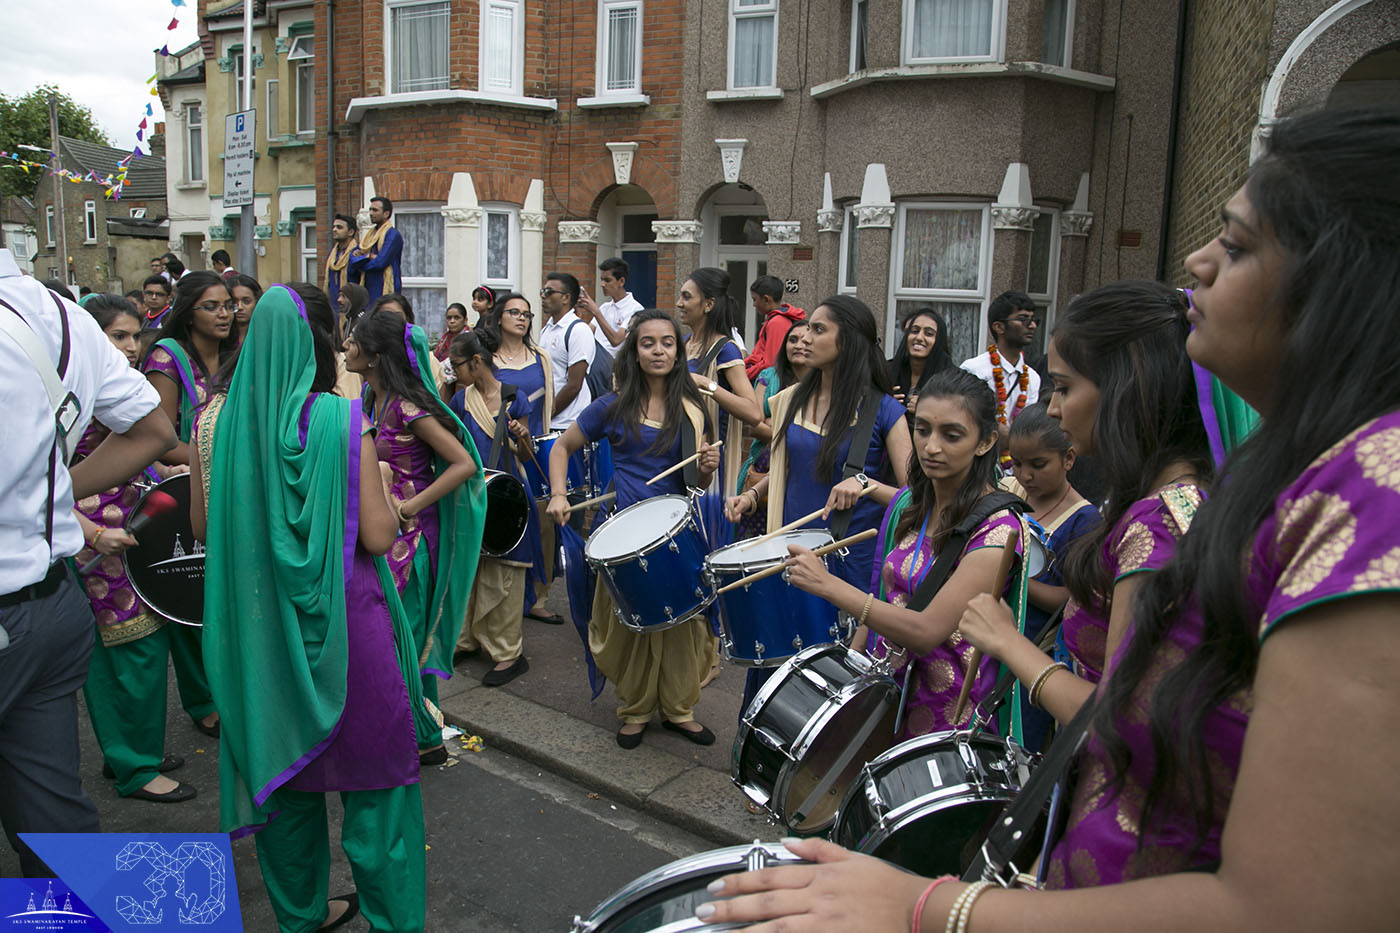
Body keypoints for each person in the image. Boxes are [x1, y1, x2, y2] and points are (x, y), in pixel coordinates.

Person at [696, 105, 1400, 929]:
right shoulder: (1286, 481)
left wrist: (934, 906)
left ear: (1336, 283)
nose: (1198, 264)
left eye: (1238, 245)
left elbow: (1293, 903)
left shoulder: (1369, 494)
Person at [191, 283, 425, 932]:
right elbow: (375, 536)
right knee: (378, 793)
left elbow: (203, 527)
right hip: (349, 631)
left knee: (285, 789)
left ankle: (301, 920)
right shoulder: (339, 419)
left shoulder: (217, 424)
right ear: (319, 342)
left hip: (264, 635)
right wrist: (383, 491)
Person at [0, 249, 175, 876]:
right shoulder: (62, 315)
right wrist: (51, 494)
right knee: (50, 809)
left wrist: (51, 492)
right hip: (51, 602)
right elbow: (155, 430)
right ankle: (69, 913)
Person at [783, 369, 1024, 738]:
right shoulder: (912, 504)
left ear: (985, 441)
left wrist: (828, 585)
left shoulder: (998, 530)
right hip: (887, 700)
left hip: (946, 722)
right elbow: (885, 593)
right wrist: (855, 664)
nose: (931, 447)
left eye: (951, 435)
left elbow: (925, 632)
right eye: (922, 429)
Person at [725, 295, 911, 711]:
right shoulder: (791, 399)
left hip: (850, 567)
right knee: (778, 685)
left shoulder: (885, 411)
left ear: (849, 341)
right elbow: (789, 469)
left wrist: (865, 484)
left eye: (818, 329)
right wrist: (752, 496)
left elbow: (916, 498)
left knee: (830, 694)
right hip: (791, 557)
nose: (804, 338)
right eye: (808, 328)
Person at [545, 309, 721, 749]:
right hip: (624, 532)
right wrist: (559, 494)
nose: (658, 350)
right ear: (634, 352)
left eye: (667, 343)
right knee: (630, 626)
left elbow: (698, 484)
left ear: (678, 352)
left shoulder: (693, 406)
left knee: (683, 626)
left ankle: (679, 710)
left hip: (677, 533)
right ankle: (636, 710)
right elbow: (562, 447)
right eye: (648, 343)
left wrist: (706, 467)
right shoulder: (612, 405)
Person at [343, 308, 485, 766]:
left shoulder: (408, 408)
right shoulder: (371, 398)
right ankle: (413, 733)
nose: (345, 347)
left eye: (352, 341)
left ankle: (420, 736)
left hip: (413, 542)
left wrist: (408, 507)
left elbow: (464, 464)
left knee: (403, 637)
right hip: (383, 536)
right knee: (386, 637)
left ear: (374, 354)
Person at [73, 295, 195, 803]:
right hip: (97, 544)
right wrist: (90, 533)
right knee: (127, 653)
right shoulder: (71, 391)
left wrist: (166, 470)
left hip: (134, 532)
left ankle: (129, 751)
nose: (130, 347)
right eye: (117, 336)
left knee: (144, 649)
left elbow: (142, 447)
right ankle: (134, 767)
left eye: (134, 336)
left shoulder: (114, 383)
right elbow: (41, 483)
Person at [143, 270, 239, 740]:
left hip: (230, 483)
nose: (225, 314)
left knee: (227, 595)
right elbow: (160, 440)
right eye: (212, 306)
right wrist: (217, 458)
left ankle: (229, 689)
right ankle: (203, 700)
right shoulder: (167, 357)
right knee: (190, 595)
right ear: (187, 312)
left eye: (228, 305)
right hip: (185, 485)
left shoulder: (234, 354)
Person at [997, 401, 1101, 750]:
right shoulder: (1010, 493)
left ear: (1068, 459)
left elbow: (1069, 598)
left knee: (1017, 747)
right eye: (1017, 463)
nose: (1025, 475)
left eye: (1038, 465)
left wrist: (1014, 579)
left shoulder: (1084, 520)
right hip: (991, 646)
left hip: (1035, 655)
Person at [447, 327, 541, 685]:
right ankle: (467, 639)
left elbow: (526, 456)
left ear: (476, 361)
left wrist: (523, 437)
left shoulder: (515, 397)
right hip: (472, 493)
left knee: (505, 574)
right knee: (469, 570)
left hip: (507, 496)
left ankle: (508, 652)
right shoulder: (461, 400)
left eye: (457, 364)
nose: (453, 371)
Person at [482, 292, 563, 626]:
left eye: (527, 314)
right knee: (507, 521)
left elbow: (547, 404)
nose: (522, 318)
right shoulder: (486, 357)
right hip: (499, 450)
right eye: (514, 312)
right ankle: (503, 598)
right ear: (499, 317)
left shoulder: (540, 356)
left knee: (544, 524)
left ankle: (539, 597)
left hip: (537, 446)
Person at [678, 267, 763, 502]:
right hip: (679, 452)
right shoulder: (683, 344)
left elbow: (754, 413)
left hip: (708, 460)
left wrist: (707, 384)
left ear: (708, 304)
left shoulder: (725, 349)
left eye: (687, 297)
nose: (679, 303)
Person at [734, 319, 809, 539]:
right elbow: (755, 424)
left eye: (805, 340)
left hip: (798, 474)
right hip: (760, 468)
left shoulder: (820, 384)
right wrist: (791, 429)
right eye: (793, 340)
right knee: (752, 539)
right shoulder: (768, 376)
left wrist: (772, 422)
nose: (798, 345)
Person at [960, 290, 1041, 451]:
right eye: (1023, 319)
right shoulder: (974, 369)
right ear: (999, 327)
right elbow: (962, 415)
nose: (1032, 325)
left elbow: (1028, 427)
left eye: (1033, 320)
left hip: (1014, 459)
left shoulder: (1033, 378)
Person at [537, 272, 595, 430]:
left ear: (566, 298)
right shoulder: (547, 329)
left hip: (568, 424)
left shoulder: (578, 330)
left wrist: (549, 413)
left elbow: (574, 385)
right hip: (548, 422)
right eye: (542, 291)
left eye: (549, 292)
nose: (543, 296)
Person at [887, 306, 954, 409]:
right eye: (914, 331)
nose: (919, 337)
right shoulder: (886, 371)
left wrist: (927, 409)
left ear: (939, 340)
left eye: (929, 334)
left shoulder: (953, 380)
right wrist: (884, 404)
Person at [743, 273, 806, 381]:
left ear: (766, 299)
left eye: (754, 299)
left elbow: (771, 363)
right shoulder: (775, 319)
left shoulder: (777, 322)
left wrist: (742, 376)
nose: (754, 305)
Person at [577, 257, 642, 357]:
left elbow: (616, 341)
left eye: (607, 280)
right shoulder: (604, 307)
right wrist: (576, 310)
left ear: (621, 281)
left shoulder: (635, 309)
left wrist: (596, 312)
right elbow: (586, 334)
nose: (602, 284)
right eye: (602, 280)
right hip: (594, 360)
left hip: (615, 364)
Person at [348, 197, 403, 301]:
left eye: (375, 210)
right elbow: (352, 257)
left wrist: (361, 263)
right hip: (367, 288)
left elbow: (380, 262)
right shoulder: (369, 235)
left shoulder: (393, 235)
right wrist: (369, 256)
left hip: (384, 288)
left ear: (386, 214)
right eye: (370, 210)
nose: (371, 213)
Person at [324, 212, 359, 308]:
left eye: (339, 227)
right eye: (334, 227)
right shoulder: (332, 255)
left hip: (351, 304)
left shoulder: (357, 254)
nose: (334, 230)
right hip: (333, 303)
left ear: (350, 232)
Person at [228, 273, 262, 345]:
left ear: (257, 302)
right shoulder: (221, 336)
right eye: (234, 302)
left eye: (246, 301)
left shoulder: (264, 335)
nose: (239, 307)